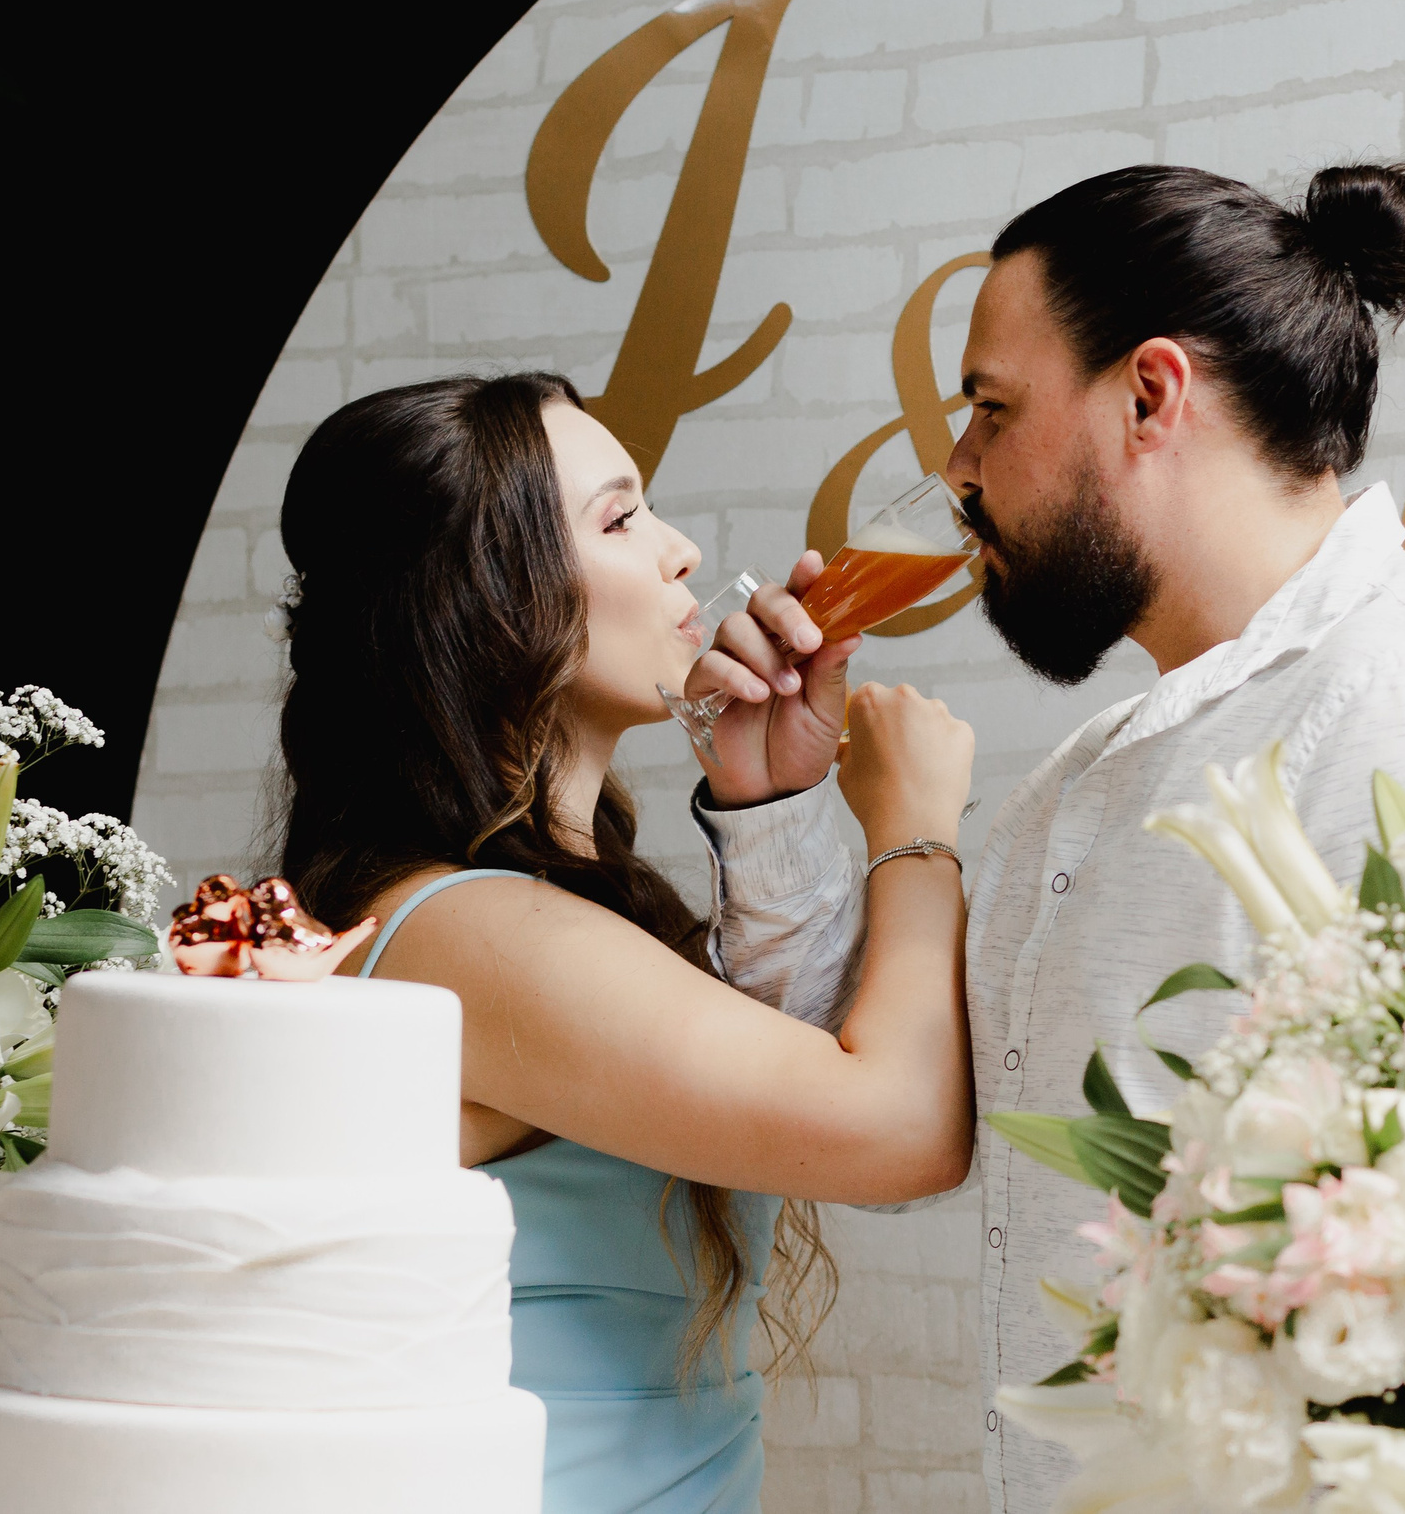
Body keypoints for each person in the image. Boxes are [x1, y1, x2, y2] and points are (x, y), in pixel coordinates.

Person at [684, 163, 1405, 1514]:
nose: (958, 470)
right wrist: (774, 800)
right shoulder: (1084, 783)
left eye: (990, 408)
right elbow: (878, 1126)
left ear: (1152, 395)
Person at [272, 372, 977, 1514]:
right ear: (489, 599)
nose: (680, 550)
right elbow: (898, 1130)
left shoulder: (526, 917)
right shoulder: (467, 932)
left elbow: (793, 1096)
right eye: (620, 519)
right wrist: (914, 831)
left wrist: (765, 800)